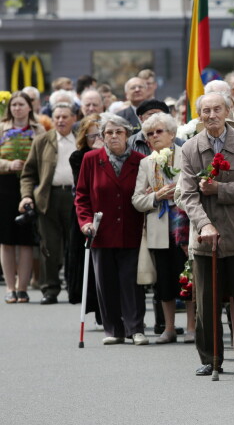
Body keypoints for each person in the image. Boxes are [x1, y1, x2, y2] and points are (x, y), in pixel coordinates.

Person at [178, 92, 234, 375]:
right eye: (206, 111)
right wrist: (204, 224)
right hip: (207, 242)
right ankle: (210, 359)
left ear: (228, 111)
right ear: (199, 115)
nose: (212, 115)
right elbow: (186, 195)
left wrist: (221, 190)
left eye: (217, 109)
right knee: (206, 304)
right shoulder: (191, 148)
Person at [74, 114, 148, 346]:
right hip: (101, 231)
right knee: (105, 282)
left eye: (119, 132)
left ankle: (135, 328)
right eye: (108, 133)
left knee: (132, 281)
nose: (114, 136)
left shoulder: (140, 160)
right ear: (102, 137)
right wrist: (85, 221)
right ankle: (113, 329)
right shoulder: (91, 159)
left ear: (127, 135)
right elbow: (82, 195)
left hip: (131, 229)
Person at [132, 112, 194, 344]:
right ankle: (168, 328)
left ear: (172, 134)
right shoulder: (145, 162)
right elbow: (137, 200)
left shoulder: (186, 154)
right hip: (159, 229)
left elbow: (193, 186)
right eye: (150, 134)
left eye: (159, 131)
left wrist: (176, 191)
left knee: (187, 278)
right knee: (164, 282)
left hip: (184, 227)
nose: (155, 136)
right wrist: (156, 196)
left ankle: (191, 327)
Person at [19, 103, 78, 304]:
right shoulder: (42, 141)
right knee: (49, 246)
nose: (60, 120)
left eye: (65, 116)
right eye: (57, 117)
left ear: (74, 118)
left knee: (74, 245)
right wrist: (27, 196)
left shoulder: (81, 140)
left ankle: (74, 288)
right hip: (48, 198)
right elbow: (28, 174)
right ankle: (50, 289)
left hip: (75, 198)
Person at [1, 92, 45, 303]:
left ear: (30, 107)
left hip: (30, 186)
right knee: (7, 240)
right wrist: (7, 165)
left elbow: (45, 157)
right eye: (14, 105)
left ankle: (22, 287)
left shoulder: (38, 130)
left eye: (21, 104)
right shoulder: (2, 128)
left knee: (26, 240)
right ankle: (10, 287)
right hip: (5, 186)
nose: (17, 108)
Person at [65, 115, 103, 323]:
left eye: (100, 134)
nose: (98, 138)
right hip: (86, 212)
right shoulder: (78, 157)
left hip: (109, 211)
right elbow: (83, 182)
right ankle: (96, 307)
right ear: (85, 138)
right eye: (93, 135)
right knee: (89, 264)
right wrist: (95, 153)